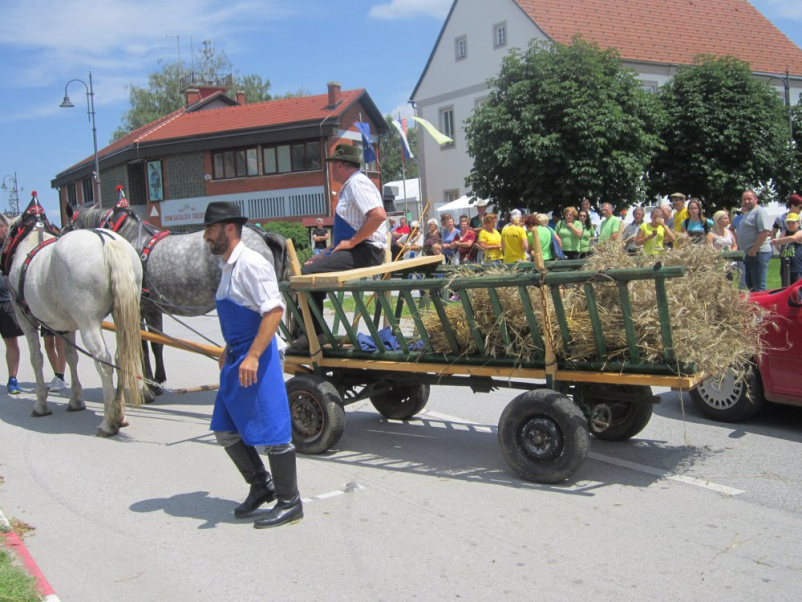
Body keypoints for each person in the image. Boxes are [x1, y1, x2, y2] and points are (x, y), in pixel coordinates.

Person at [202, 201, 302, 529]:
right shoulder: (228, 266)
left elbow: (273, 311)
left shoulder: (251, 264)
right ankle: (262, 485)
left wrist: (255, 356)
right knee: (225, 429)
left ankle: (290, 502)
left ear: (229, 228)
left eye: (210, 230)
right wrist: (229, 347)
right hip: (237, 358)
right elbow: (240, 313)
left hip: (256, 359)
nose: (206, 237)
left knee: (274, 432)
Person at [299, 144, 387, 344]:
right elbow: (348, 233)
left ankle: (313, 334)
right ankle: (314, 331)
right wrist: (324, 254)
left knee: (307, 275)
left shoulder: (357, 183)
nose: (330, 170)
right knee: (311, 268)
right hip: (358, 248)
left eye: (332, 165)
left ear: (339, 164)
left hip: (366, 250)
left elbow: (378, 215)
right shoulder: (351, 186)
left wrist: (352, 242)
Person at [0, 217, 22, 395]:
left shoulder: (12, 249)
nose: (2, 231)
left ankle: (12, 379)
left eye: (2, 227)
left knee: (11, 342)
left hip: (6, 301)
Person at [735, 189, 772, 292]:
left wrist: (754, 249)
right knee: (751, 286)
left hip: (758, 253)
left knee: (759, 286)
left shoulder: (759, 212)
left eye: (749, 199)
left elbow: (764, 232)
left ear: (756, 199)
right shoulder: (748, 213)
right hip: (749, 254)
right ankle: (754, 306)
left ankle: (761, 307)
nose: (746, 201)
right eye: (744, 199)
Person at [771, 213, 802, 285]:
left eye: (793, 223)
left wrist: (778, 241)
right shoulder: (785, 232)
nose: (790, 225)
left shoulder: (800, 232)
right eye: (788, 223)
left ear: (798, 223)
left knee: (798, 291)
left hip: (797, 268)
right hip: (785, 267)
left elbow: (793, 238)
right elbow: (781, 242)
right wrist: (778, 246)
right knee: (785, 290)